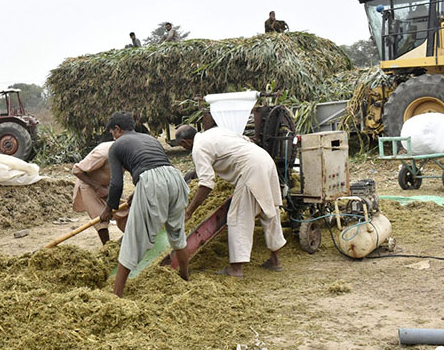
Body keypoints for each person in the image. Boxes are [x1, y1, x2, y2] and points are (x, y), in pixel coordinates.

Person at [176, 124, 286, 278]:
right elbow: (246, 141)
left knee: (237, 218)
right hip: (265, 160)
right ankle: (275, 262)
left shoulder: (198, 148)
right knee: (269, 212)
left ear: (185, 142)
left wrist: (189, 212)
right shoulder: (215, 132)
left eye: (182, 146)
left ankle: (236, 269)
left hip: (250, 169)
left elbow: (207, 184)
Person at [100, 112, 190, 297]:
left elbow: (116, 184)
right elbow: (156, 166)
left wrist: (108, 210)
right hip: (175, 177)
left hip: (152, 182)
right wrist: (138, 191)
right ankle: (185, 278)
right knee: (177, 234)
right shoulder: (150, 139)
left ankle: (116, 295)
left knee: (132, 240)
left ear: (117, 129)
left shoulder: (116, 146)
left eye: (113, 133)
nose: (113, 137)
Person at [72, 141, 128, 244]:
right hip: (89, 185)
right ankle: (107, 248)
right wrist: (97, 187)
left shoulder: (130, 151)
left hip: (111, 184)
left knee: (125, 211)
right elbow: (76, 170)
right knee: (100, 218)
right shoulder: (103, 153)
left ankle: (134, 240)